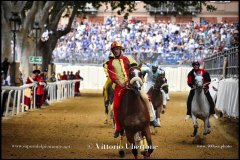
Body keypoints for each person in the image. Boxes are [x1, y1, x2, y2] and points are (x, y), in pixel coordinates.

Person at [107, 41, 160, 138]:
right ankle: (118, 128)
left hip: (133, 83)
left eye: (118, 49)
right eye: (114, 50)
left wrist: (137, 73)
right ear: (112, 51)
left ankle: (152, 119)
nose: (116, 51)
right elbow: (112, 76)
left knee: (145, 97)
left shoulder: (128, 58)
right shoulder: (110, 63)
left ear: (121, 49)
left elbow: (136, 68)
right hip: (120, 87)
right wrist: (120, 83)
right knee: (115, 106)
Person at [140, 61, 166, 126]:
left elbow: (163, 75)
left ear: (157, 68)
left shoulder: (159, 71)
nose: (153, 69)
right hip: (149, 83)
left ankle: (164, 105)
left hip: (156, 84)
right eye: (153, 67)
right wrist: (142, 76)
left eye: (155, 68)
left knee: (163, 92)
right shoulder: (148, 70)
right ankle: (142, 102)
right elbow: (142, 72)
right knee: (145, 92)